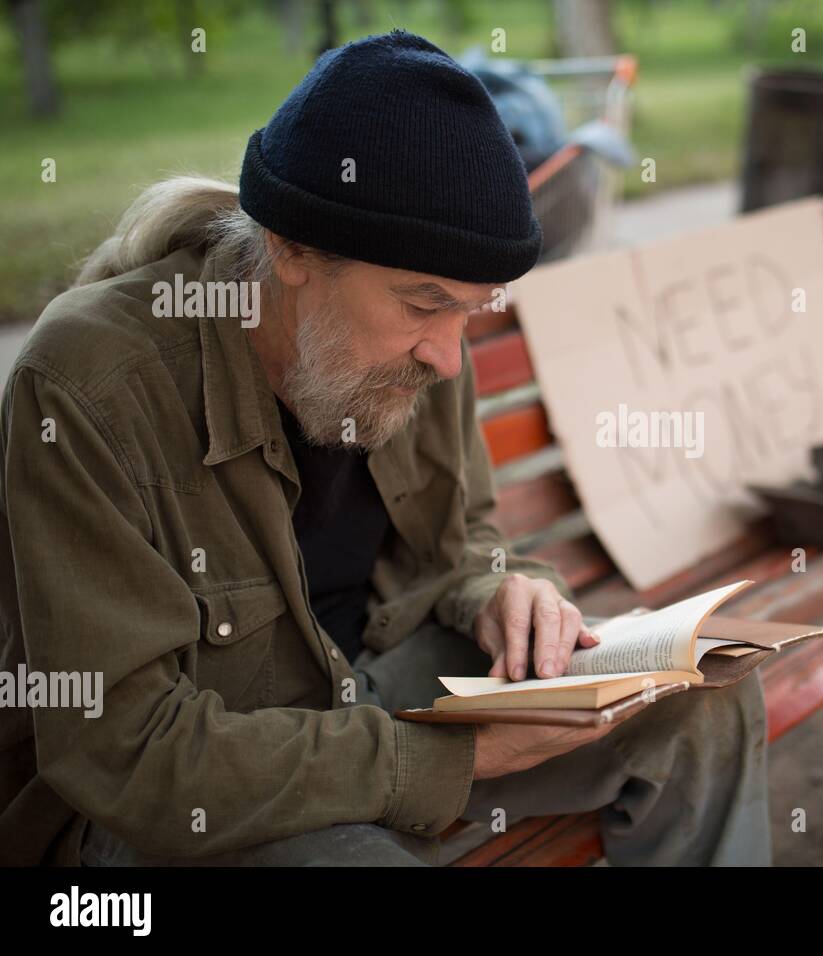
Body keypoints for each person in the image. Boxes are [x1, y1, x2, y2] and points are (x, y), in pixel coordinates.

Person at [0, 30, 769, 867]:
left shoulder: (430, 350)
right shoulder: (91, 382)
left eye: (470, 311)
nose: (447, 354)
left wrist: (499, 592)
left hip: (377, 686)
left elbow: (466, 538)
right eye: (422, 303)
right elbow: (127, 752)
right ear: (290, 249)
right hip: (198, 789)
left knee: (701, 701)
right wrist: (455, 758)